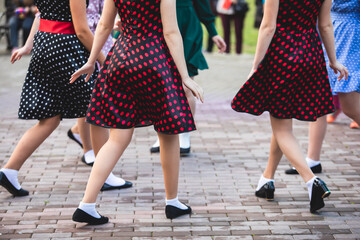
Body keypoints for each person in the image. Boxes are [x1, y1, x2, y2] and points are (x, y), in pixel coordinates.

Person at [70, 0, 204, 225]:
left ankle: (87, 204)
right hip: (155, 60)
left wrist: (91, 61)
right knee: (168, 134)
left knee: (117, 138)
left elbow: (104, 25)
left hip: (121, 58)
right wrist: (185, 76)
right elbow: (171, 32)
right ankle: (172, 202)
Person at [231, 0, 348, 212]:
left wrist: (255, 65)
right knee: (282, 121)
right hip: (311, 53)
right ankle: (267, 180)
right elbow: (325, 25)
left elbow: (268, 26)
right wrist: (333, 60)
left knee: (282, 128)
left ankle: (311, 180)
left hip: (282, 54)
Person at [0, 0, 110, 197]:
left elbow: (40, 15)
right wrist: (105, 62)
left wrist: (27, 46)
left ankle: (9, 170)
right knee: (97, 107)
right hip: (66, 47)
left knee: (50, 118)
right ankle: (105, 176)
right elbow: (82, 31)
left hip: (45, 44)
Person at [285, 0, 360, 175]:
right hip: (326, 32)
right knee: (319, 98)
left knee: (350, 104)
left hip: (350, 36)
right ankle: (312, 160)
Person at [150, 0, 226, 154]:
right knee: (162, 86)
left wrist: (213, 32)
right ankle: (163, 132)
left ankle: (184, 133)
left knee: (186, 86)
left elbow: (202, 4)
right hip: (159, 25)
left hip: (187, 29)